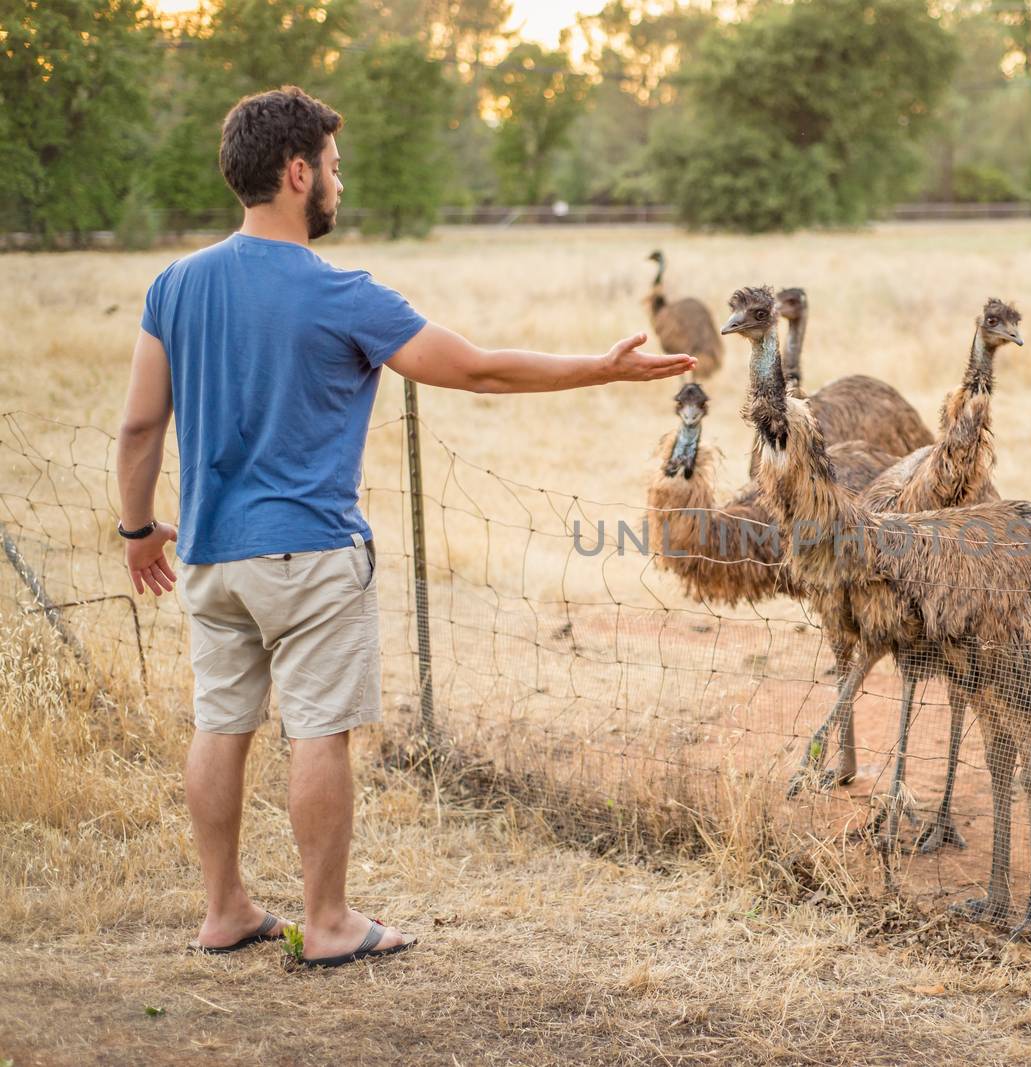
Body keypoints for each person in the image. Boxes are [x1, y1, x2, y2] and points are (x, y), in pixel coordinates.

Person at [115, 86, 693, 968]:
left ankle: (224, 909)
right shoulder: (344, 293)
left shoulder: (174, 284)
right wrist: (599, 370)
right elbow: (480, 371)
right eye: (335, 167)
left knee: (220, 724)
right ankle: (331, 921)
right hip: (307, 555)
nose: (340, 183)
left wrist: (136, 527)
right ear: (299, 172)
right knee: (319, 732)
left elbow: (139, 425)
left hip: (209, 555)